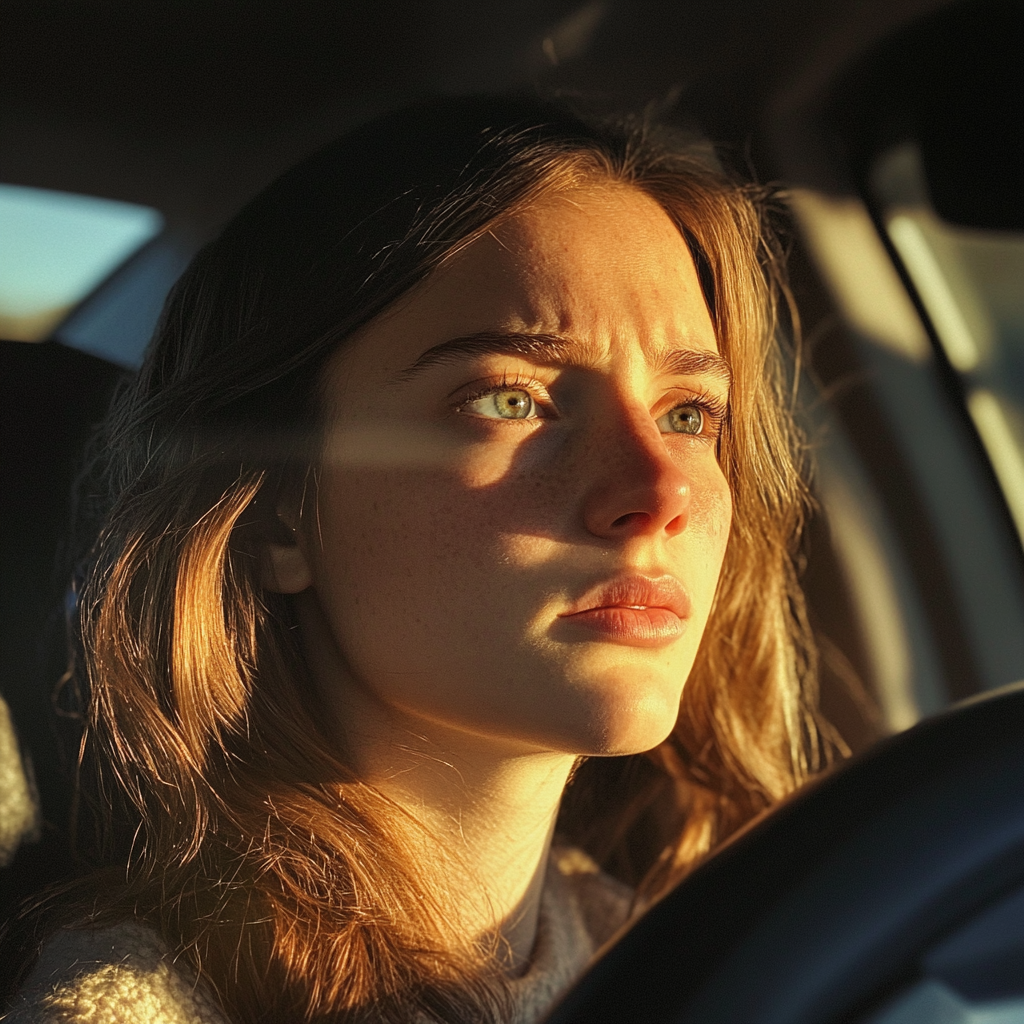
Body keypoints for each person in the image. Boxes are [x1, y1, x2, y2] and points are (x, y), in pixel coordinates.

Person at [6, 95, 830, 1024]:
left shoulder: (708, 957)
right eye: (512, 401)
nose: (662, 490)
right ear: (280, 518)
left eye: (689, 415)